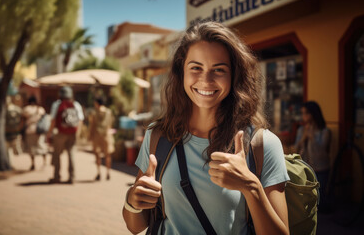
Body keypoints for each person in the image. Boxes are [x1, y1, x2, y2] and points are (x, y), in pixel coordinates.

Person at [122, 21, 290, 234]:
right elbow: (134, 226)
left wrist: (251, 187)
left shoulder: (263, 145)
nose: (206, 80)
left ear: (234, 75)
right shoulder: (158, 136)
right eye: (196, 68)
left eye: (218, 70)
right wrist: (133, 199)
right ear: (181, 72)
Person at [295, 101, 331, 210]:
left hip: (321, 169)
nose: (304, 116)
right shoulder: (301, 130)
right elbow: (295, 149)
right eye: (302, 113)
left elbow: (322, 153)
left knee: (319, 199)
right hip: (305, 168)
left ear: (313, 114)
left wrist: (312, 137)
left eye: (306, 113)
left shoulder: (325, 131)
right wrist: (303, 139)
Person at [47, 86, 84, 184]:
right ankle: (72, 177)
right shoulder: (76, 105)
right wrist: (77, 133)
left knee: (57, 155)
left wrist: (49, 133)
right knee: (71, 154)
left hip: (60, 133)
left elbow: (53, 121)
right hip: (72, 133)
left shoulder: (57, 104)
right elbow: (80, 120)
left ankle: (56, 176)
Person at [88, 97, 115, 181]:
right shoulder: (109, 112)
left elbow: (92, 125)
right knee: (108, 155)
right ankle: (108, 172)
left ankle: (99, 172)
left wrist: (90, 136)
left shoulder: (94, 113)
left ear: (97, 103)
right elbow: (110, 123)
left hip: (97, 135)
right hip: (106, 135)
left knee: (97, 154)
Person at [22, 96, 48, 170]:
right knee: (41, 146)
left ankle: (33, 164)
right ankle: (45, 162)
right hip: (39, 130)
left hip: (29, 131)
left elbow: (22, 119)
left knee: (31, 148)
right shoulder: (41, 109)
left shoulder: (26, 109)